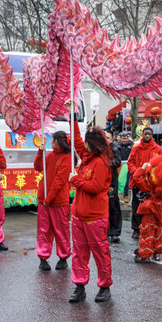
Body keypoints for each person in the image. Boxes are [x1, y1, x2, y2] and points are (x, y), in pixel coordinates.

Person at [68, 117, 113, 303]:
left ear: (93, 144)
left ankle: (104, 286)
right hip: (78, 215)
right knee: (79, 252)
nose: (83, 145)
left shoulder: (101, 163)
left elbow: (95, 187)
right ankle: (79, 286)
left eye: (87, 142)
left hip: (95, 218)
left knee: (100, 253)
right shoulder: (87, 157)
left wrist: (75, 179)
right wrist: (72, 119)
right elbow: (77, 141)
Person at [34, 131, 72, 270]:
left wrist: (48, 198)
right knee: (44, 230)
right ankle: (43, 257)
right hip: (44, 200)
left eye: (53, 139)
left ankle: (63, 257)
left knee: (61, 230)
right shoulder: (49, 155)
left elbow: (59, 181)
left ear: (56, 141)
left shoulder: (68, 158)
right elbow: (38, 167)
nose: (51, 141)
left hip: (58, 201)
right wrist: (40, 152)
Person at [126, 127, 162, 240]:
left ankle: (151, 228)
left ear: (152, 135)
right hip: (138, 181)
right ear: (142, 135)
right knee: (136, 206)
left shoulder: (158, 149)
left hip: (152, 183)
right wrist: (136, 171)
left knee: (151, 207)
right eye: (145, 134)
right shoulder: (135, 149)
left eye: (149, 134)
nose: (147, 136)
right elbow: (130, 162)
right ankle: (136, 229)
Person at [104, 130, 123, 243]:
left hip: (111, 181)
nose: (105, 139)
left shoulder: (114, 148)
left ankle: (115, 232)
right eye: (104, 137)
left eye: (108, 137)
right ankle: (105, 231)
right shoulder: (100, 149)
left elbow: (118, 162)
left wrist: (106, 163)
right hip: (101, 182)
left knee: (113, 206)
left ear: (111, 139)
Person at [115, 131, 133, 202]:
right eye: (123, 138)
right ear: (120, 138)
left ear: (128, 138)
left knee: (126, 182)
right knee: (118, 181)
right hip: (119, 165)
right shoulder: (117, 146)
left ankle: (126, 196)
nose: (124, 140)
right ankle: (117, 195)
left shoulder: (131, 146)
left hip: (128, 165)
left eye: (125, 138)